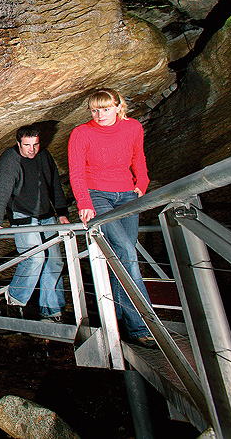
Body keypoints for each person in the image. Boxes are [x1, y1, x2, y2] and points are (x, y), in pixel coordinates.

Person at [68, 88, 155, 348]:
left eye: (106, 108)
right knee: (127, 252)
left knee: (121, 258)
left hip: (128, 195)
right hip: (98, 197)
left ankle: (120, 322)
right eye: (95, 110)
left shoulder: (133, 128)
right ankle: (143, 325)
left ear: (118, 107)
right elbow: (76, 172)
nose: (100, 114)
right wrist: (84, 203)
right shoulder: (81, 133)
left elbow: (138, 156)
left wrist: (143, 183)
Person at [0, 126, 71, 321]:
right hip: (23, 214)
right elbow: (2, 189)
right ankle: (14, 300)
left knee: (55, 261)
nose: (32, 150)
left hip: (46, 214)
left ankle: (52, 311)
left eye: (35, 145)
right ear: (18, 144)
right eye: (27, 145)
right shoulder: (10, 159)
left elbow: (55, 185)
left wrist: (62, 213)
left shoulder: (44, 156)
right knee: (35, 258)